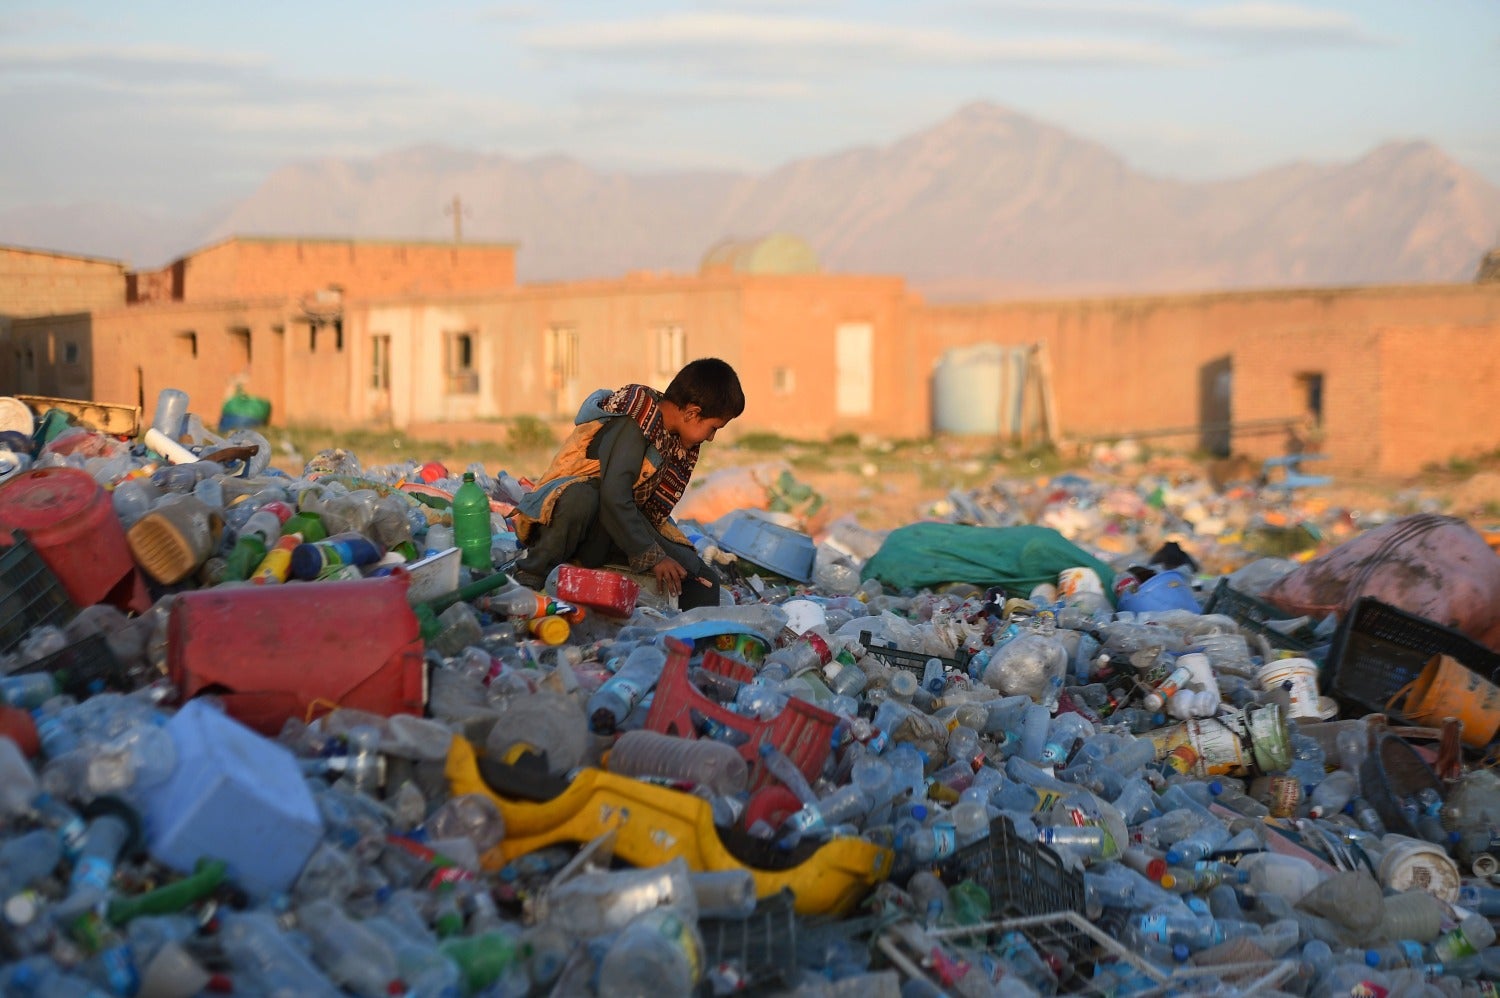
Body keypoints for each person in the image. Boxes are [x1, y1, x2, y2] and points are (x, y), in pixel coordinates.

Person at [509, 358, 745, 609]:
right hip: (575, 518)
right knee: (585, 496)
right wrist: (653, 557)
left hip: (614, 527)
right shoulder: (634, 421)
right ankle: (531, 575)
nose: (710, 438)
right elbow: (614, 498)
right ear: (692, 413)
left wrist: (663, 553)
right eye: (712, 428)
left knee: (700, 582)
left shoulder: (671, 435)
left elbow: (640, 510)